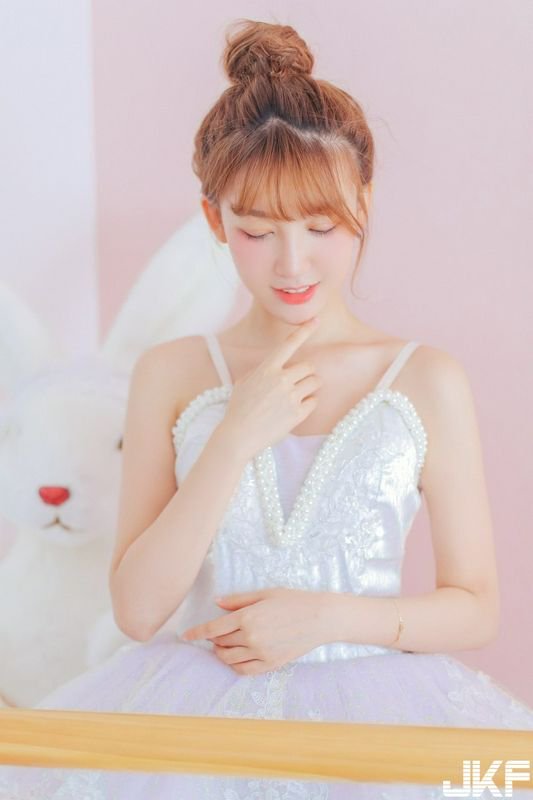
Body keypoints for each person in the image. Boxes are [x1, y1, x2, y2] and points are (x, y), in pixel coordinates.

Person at [1, 17, 532, 800]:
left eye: (321, 226)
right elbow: (138, 611)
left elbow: (475, 607)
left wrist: (328, 618)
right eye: (257, 231)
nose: (292, 264)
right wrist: (233, 437)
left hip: (378, 722)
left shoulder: (426, 379)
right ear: (214, 220)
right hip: (191, 720)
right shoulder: (172, 374)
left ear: (364, 201)